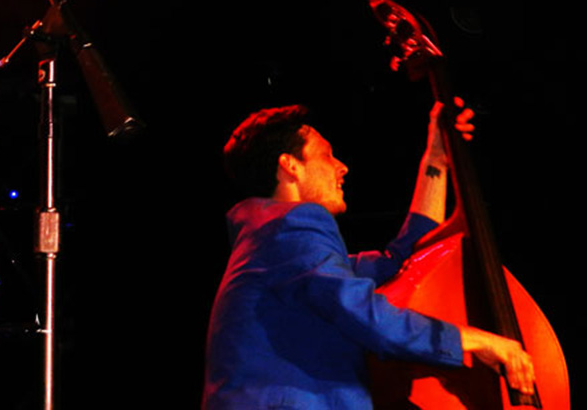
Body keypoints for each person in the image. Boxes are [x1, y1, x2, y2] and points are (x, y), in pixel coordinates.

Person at [203, 102, 535, 409]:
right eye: (327, 155)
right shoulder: (291, 225)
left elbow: (401, 263)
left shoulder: (275, 247)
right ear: (290, 165)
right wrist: (471, 339)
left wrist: (436, 158)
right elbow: (361, 310)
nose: (341, 167)